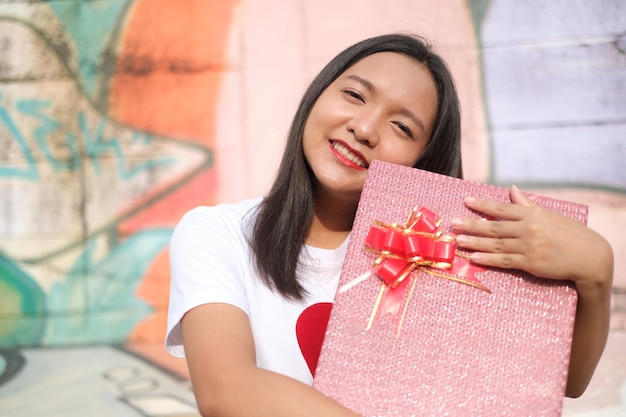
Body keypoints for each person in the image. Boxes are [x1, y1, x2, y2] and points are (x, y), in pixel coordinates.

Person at [165, 33, 613, 416]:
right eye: (355, 95)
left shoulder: (440, 252)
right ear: (317, 96)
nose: (364, 128)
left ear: (424, 160)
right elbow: (226, 391)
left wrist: (596, 272)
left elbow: (557, 382)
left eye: (401, 126)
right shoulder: (216, 232)